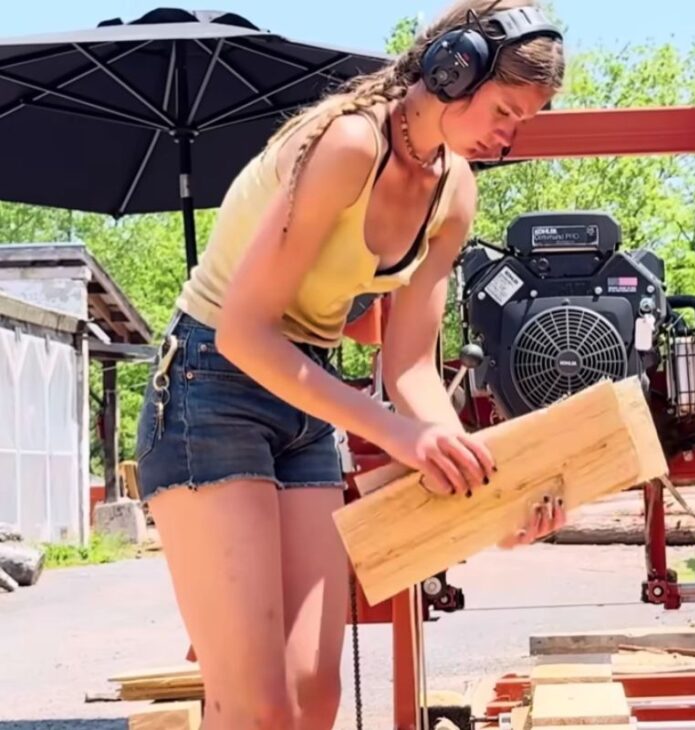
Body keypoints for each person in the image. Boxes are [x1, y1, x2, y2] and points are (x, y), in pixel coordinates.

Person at [132, 2, 566, 728]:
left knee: (314, 693)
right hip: (210, 385)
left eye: (524, 118)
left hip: (306, 395)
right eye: (504, 109)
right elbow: (244, 333)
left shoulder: (453, 189)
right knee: (260, 708)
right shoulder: (348, 144)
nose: (507, 133)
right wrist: (400, 437)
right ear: (452, 70)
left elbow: (411, 371)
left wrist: (493, 489)